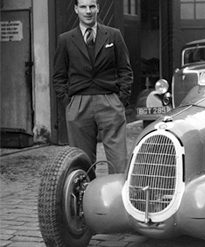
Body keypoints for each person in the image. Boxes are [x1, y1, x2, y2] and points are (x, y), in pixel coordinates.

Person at [53, 0, 133, 174]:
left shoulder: (113, 35)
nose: (88, 11)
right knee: (81, 160)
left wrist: (121, 100)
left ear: (98, 8)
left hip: (110, 101)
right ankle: (84, 198)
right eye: (83, 7)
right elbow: (59, 76)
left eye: (91, 6)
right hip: (79, 104)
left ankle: (117, 198)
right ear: (76, 9)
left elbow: (125, 70)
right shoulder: (65, 39)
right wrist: (68, 103)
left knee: (119, 160)